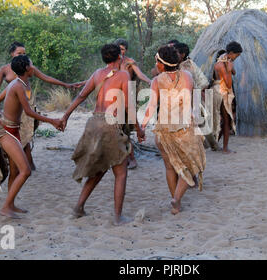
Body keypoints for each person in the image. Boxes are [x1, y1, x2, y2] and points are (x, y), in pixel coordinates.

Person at [60, 44, 145, 225]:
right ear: (119, 58)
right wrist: (138, 129)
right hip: (111, 125)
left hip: (94, 123)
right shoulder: (123, 75)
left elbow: (81, 96)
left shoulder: (97, 74)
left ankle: (78, 208)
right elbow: (129, 106)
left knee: (100, 168)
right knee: (121, 173)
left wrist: (66, 115)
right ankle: (117, 217)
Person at [0, 55, 62, 219]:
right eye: (32, 64)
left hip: (13, 130)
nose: (33, 66)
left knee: (15, 171)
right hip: (5, 131)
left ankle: (11, 204)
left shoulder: (19, 83)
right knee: (26, 170)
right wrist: (52, 121)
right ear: (27, 69)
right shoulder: (18, 86)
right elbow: (28, 112)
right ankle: (6, 207)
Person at [0, 41, 81, 172]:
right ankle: (18, 165)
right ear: (11, 54)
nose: (21, 55)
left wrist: (66, 85)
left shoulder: (28, 67)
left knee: (26, 137)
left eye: (24, 53)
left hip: (28, 106)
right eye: (18, 53)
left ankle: (28, 166)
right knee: (12, 137)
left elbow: (46, 78)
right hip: (14, 108)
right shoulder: (4, 70)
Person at [141, 45, 206, 215]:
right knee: (190, 167)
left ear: (162, 64)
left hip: (163, 130)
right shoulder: (188, 76)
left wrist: (142, 126)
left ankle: (175, 204)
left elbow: (152, 106)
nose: (155, 64)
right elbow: (189, 102)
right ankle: (176, 198)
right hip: (184, 128)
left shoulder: (156, 81)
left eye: (156, 61)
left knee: (170, 168)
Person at [114, 39, 151, 170]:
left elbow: (140, 74)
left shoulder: (130, 62)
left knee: (126, 131)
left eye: (123, 49)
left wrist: (150, 81)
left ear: (126, 50)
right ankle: (120, 158)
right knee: (115, 129)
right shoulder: (113, 61)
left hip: (128, 98)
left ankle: (132, 159)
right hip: (114, 98)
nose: (120, 52)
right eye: (118, 49)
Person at [211, 41, 242, 154]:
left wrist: (230, 66)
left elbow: (234, 72)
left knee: (224, 120)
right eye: (236, 56)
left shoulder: (224, 61)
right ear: (231, 53)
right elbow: (228, 84)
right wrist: (228, 69)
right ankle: (224, 148)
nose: (236, 58)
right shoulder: (221, 65)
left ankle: (216, 144)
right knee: (226, 120)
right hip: (221, 92)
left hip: (221, 91)